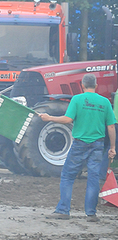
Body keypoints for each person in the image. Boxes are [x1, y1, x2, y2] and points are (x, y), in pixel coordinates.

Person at [39, 73, 116, 221]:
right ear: (96, 86)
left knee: (68, 176)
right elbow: (111, 126)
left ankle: (63, 210)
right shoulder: (105, 102)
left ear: (82, 85)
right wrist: (112, 147)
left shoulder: (77, 99)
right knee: (93, 178)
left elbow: (68, 119)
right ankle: (91, 213)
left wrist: (49, 118)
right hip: (98, 145)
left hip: (80, 144)